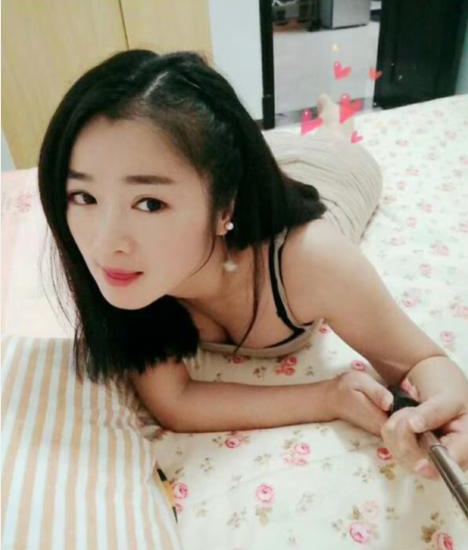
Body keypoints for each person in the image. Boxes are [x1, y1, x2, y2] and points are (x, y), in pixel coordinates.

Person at [38, 49, 468, 484]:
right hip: (238, 173)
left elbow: (420, 359)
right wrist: (330, 396)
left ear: (225, 208)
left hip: (333, 175)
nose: (105, 243)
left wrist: (448, 411)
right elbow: (176, 401)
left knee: (334, 145)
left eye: (149, 203)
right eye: (84, 197)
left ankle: (335, 126)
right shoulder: (125, 279)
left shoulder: (311, 259)